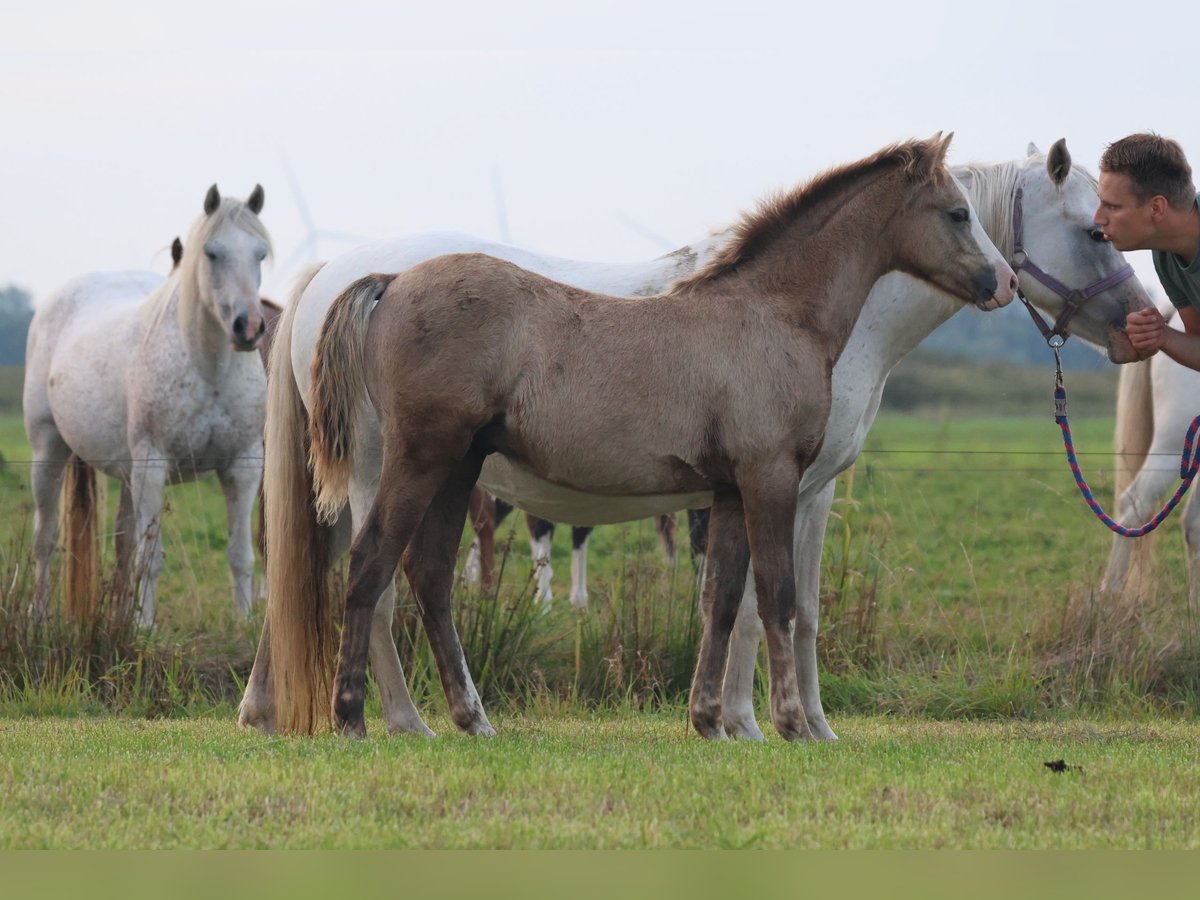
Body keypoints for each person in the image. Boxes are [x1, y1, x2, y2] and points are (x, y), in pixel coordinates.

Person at [1095, 132, 1200, 370]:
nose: (1098, 217)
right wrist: (1162, 336)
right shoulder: (1165, 254)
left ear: (1156, 208)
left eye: (1112, 206)